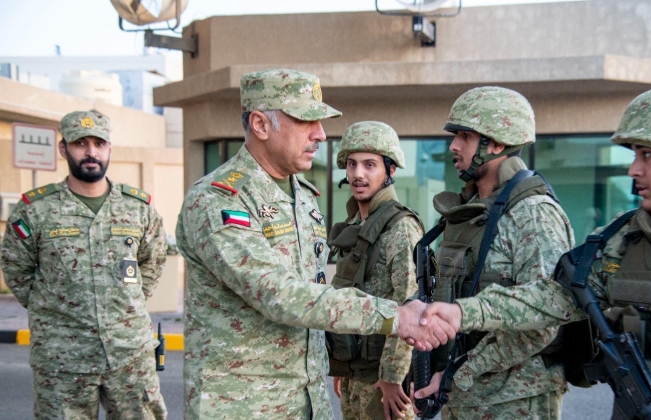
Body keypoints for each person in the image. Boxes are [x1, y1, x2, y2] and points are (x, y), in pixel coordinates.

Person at [418, 86, 651, 419]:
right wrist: (462, 312)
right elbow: (556, 297)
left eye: (646, 155)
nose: (633, 170)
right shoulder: (624, 237)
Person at [175, 69, 454, 420]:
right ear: (260, 125)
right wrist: (396, 317)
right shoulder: (219, 200)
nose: (320, 134)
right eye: (306, 120)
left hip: (306, 400)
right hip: (242, 406)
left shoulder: (304, 198)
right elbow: (279, 294)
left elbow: (316, 293)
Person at [412, 86, 575, 419]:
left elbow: (546, 318)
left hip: (515, 401)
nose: (454, 146)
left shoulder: (533, 213)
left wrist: (462, 372)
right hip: (463, 396)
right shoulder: (471, 210)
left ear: (496, 144)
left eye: (465, 136)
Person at [0, 110, 168, 419]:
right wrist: (56, 308)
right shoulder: (36, 210)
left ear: (109, 148)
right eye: (80, 143)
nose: (91, 152)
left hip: (129, 354)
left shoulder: (137, 208)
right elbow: (16, 268)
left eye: (99, 143)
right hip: (63, 358)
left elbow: (152, 262)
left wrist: (123, 306)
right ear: (64, 149)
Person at [327, 121, 424, 420]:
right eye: (352, 164)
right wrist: (343, 365)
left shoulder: (400, 227)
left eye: (370, 165)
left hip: (384, 380)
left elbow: (410, 304)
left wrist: (393, 377)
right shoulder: (356, 225)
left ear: (390, 170)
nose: (358, 174)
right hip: (355, 372)